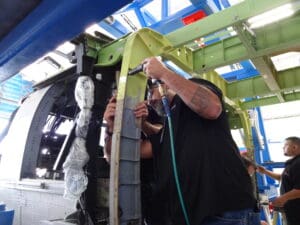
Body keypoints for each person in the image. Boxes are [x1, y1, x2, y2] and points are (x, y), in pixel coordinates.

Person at [140, 57, 259, 225]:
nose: (150, 101)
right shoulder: (170, 122)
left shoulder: (190, 92)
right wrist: (137, 123)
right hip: (197, 215)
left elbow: (212, 108)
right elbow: (148, 147)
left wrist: (164, 73)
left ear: (163, 84)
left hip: (222, 211)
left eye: (151, 92)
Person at [257, 136, 300, 225]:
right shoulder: (292, 163)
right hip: (292, 209)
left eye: (285, 145)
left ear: (294, 147)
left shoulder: (298, 164)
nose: (283, 148)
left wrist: (282, 198)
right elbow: (283, 178)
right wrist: (265, 171)